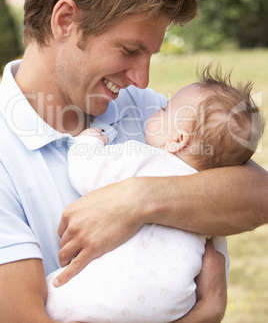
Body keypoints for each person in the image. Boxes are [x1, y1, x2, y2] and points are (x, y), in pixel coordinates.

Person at [0, 0, 267, 322]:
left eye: (151, 56)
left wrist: (136, 201)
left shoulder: (143, 110)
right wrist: (205, 314)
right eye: (129, 49)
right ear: (65, 20)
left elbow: (258, 192)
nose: (141, 80)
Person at [45, 64, 263, 323]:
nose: (157, 108)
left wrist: (87, 141)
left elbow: (87, 172)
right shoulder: (210, 192)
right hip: (171, 304)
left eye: (165, 109)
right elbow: (215, 258)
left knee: (51, 295)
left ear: (178, 140)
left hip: (100, 297)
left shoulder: (145, 159)